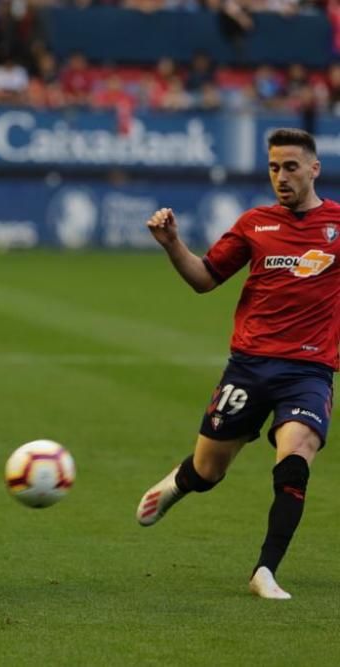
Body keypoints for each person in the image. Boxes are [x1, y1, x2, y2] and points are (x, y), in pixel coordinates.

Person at [136, 128, 339, 600]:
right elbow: (205, 279)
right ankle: (178, 484)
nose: (281, 177)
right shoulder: (255, 223)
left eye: (291, 167)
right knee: (208, 471)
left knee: (295, 460)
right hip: (248, 369)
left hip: (309, 373)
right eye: (274, 167)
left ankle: (265, 570)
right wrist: (171, 245)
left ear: (314, 168)